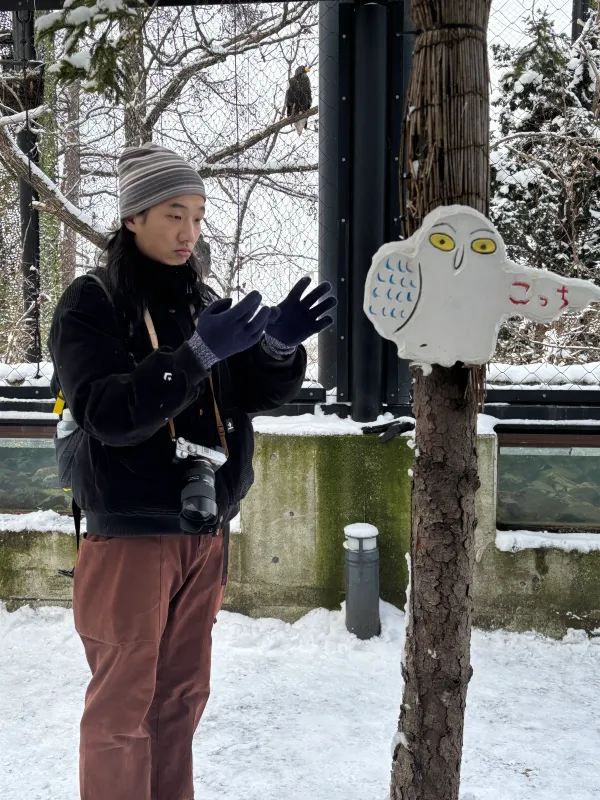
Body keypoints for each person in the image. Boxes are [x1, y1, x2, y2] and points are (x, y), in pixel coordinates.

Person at [48, 142, 336, 800]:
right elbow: (108, 413)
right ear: (133, 218)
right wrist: (199, 351)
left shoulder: (202, 300)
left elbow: (246, 396)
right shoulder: (91, 305)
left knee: (178, 702)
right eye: (174, 213)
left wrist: (275, 348)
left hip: (204, 532)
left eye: (199, 216)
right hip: (131, 536)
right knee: (124, 710)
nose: (190, 231)